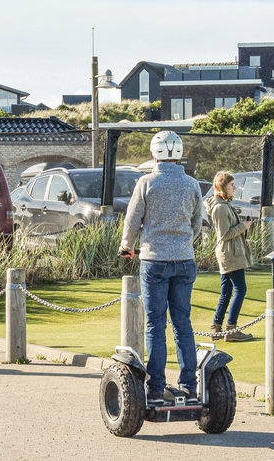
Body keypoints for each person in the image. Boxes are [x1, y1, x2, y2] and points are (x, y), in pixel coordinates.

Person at [119, 131, 203, 402]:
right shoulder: (192, 184)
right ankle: (189, 385)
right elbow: (197, 224)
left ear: (154, 154)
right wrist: (185, 243)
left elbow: (132, 220)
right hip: (184, 260)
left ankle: (156, 387)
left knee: (155, 325)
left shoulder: (146, 182)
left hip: (154, 260)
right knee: (182, 323)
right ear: (179, 154)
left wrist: (127, 246)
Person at [204, 171, 256, 343]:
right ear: (223, 186)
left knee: (226, 292)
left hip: (231, 251)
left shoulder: (224, 204)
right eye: (232, 185)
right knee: (241, 290)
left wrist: (243, 238)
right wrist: (243, 226)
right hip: (229, 254)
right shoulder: (219, 207)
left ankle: (216, 328)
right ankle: (231, 329)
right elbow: (224, 234)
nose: (235, 188)